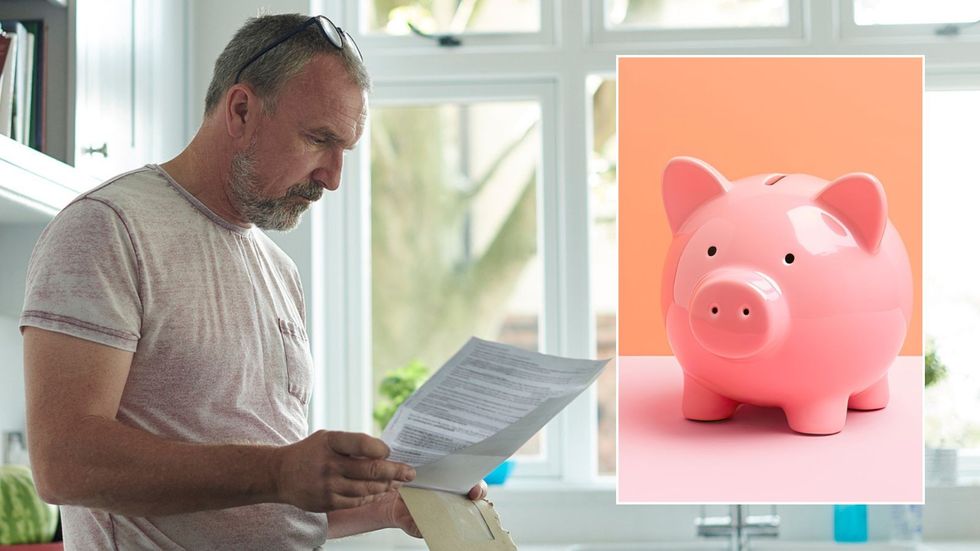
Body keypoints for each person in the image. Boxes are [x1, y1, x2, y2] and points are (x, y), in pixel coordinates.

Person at [20, 13, 485, 550]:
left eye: (344, 151)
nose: (333, 177)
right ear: (241, 111)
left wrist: (388, 505)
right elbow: (64, 464)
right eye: (318, 139)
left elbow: (268, 504)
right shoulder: (108, 228)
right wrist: (279, 471)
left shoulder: (279, 269)